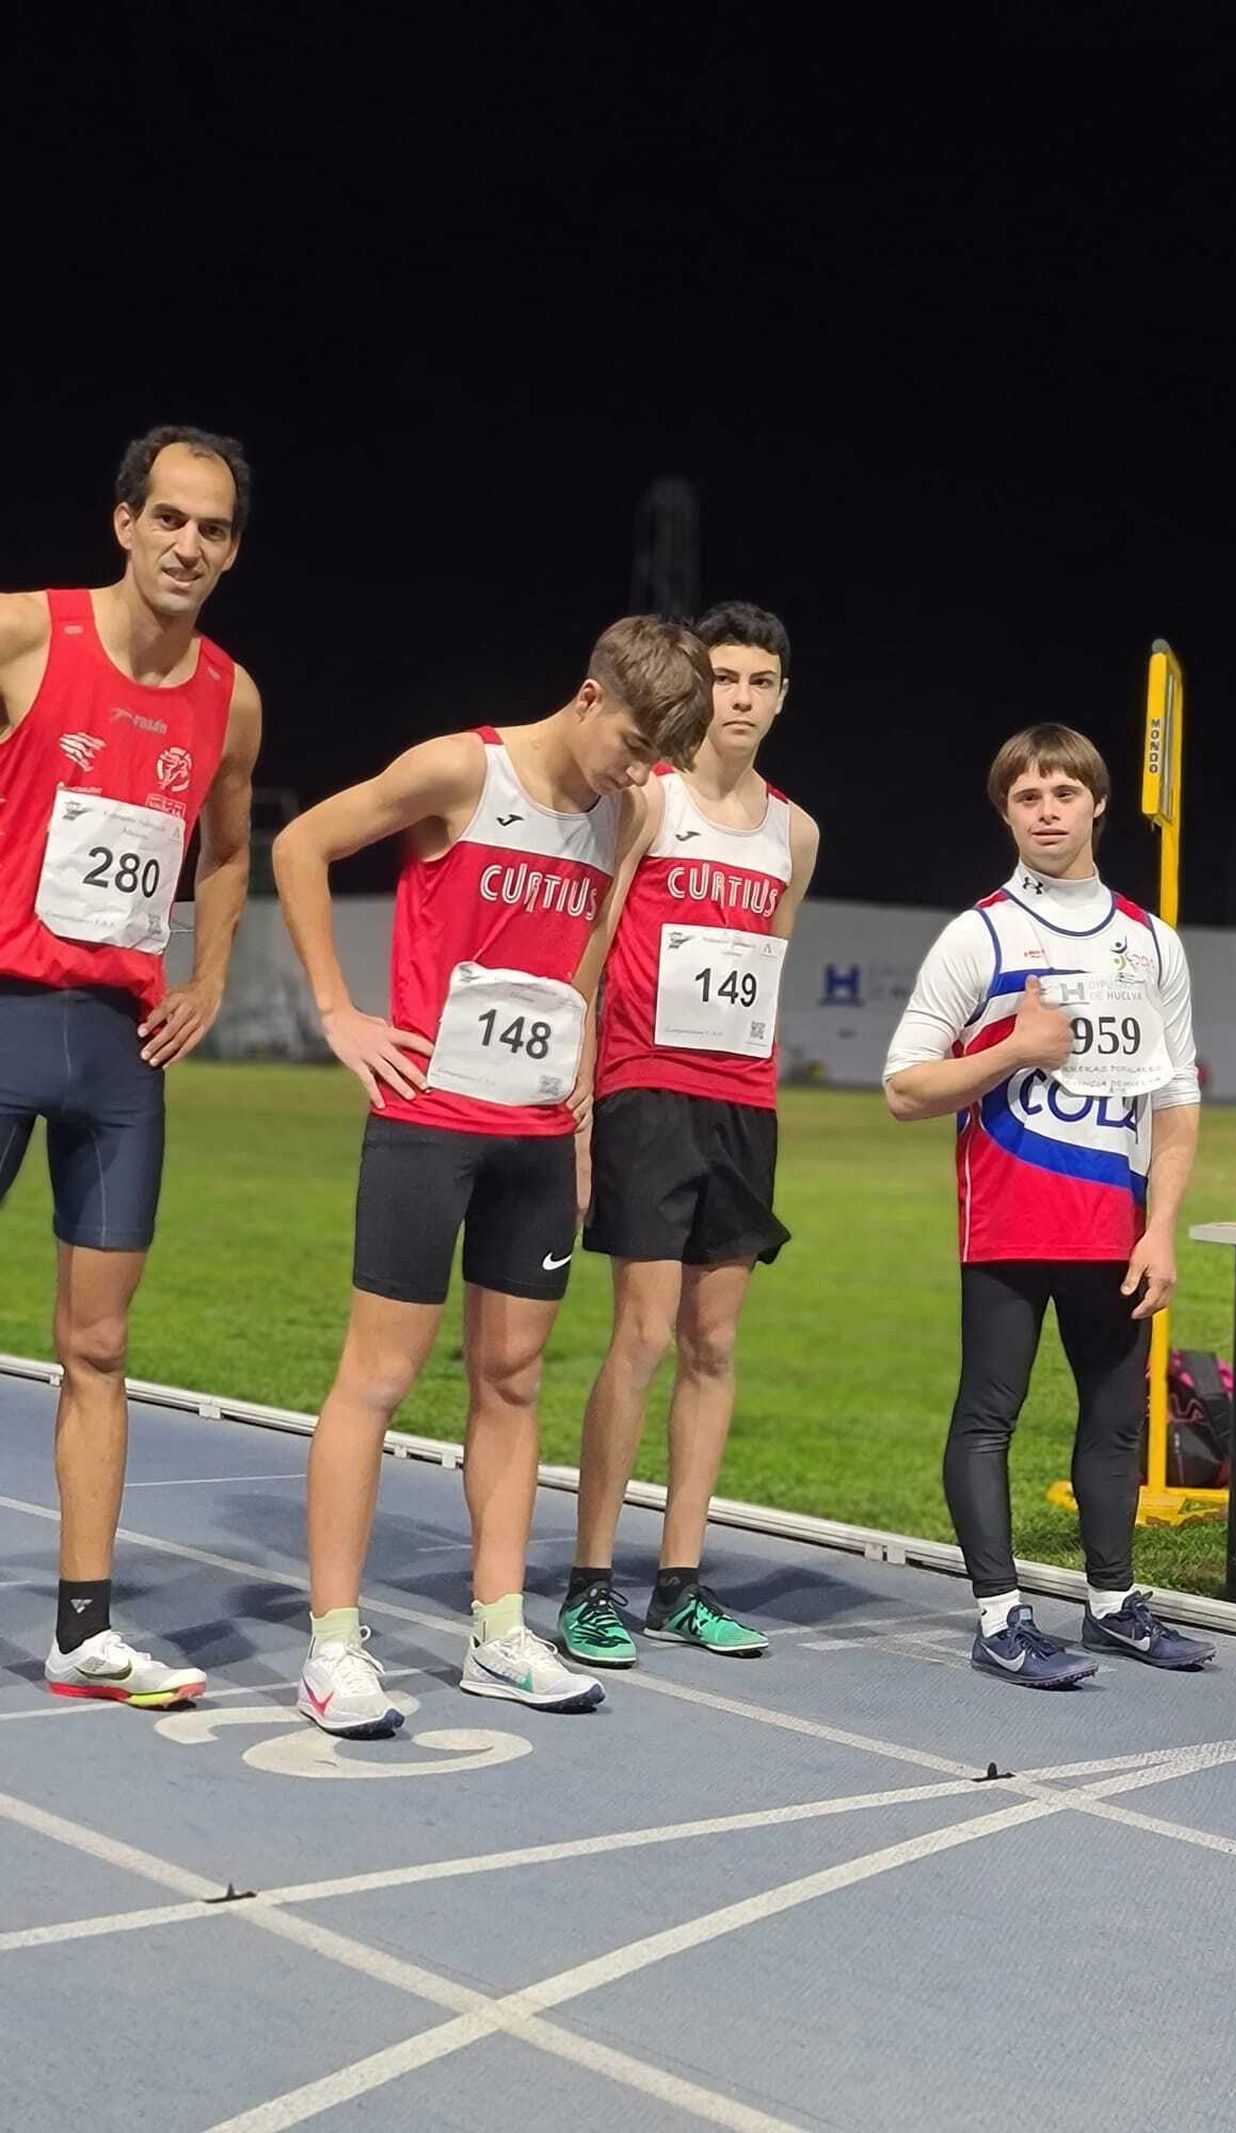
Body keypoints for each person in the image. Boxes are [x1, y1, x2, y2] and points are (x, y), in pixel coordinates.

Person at [271, 618, 710, 1735]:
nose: (639, 771)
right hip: (428, 1122)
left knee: (512, 1379)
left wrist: (574, 1102)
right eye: (633, 743)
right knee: (378, 1377)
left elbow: (589, 950)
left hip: (531, 1138)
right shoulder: (458, 769)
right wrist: (337, 1012)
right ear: (587, 696)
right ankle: (332, 1647)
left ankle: (500, 1633)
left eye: (658, 758)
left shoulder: (627, 810)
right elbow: (300, 848)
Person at [0, 426, 262, 1709]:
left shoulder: (231, 696)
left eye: (212, 530)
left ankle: (85, 1631)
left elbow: (226, 851)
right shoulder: (27, 634)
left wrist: (209, 975)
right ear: (123, 523)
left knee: (97, 1344)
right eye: (169, 519)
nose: (188, 546)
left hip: (118, 1053)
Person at [882, 723, 1212, 1688]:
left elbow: (1177, 1099)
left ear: (1098, 803)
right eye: (1027, 797)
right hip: (1011, 1220)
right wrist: (1013, 1052)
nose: (1047, 812)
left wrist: (1161, 1227)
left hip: (1116, 1227)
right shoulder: (978, 934)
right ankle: (998, 1615)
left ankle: (1112, 1606)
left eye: (1064, 794)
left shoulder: (1151, 942)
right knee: (990, 1415)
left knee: (1113, 1424)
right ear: (1006, 812)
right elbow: (904, 1086)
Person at [558, 602, 819, 1667]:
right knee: (644, 1336)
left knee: (714, 1344)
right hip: (644, 1091)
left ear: (782, 695)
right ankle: (588, 1582)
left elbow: (770, 974)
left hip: (741, 1108)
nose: (741, 698)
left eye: (761, 680)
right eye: (724, 678)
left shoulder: (794, 833)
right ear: (695, 688)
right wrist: (577, 1106)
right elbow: (592, 946)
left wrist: (764, 1102)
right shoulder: (650, 803)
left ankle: (680, 1579)